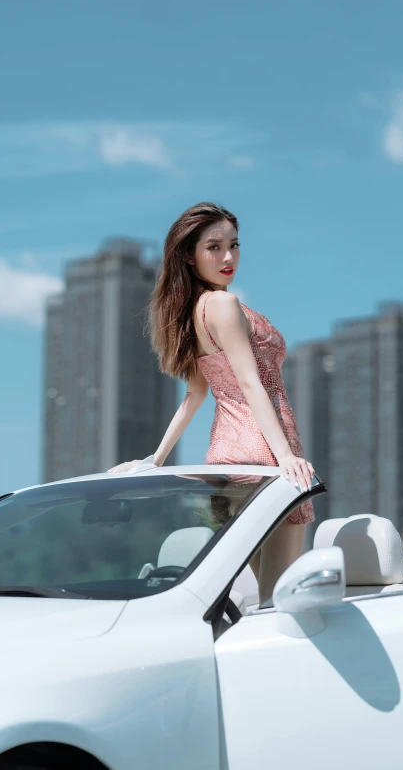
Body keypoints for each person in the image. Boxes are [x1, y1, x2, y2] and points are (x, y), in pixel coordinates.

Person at [108, 202, 315, 605]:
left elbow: (195, 394)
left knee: (265, 594)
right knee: (280, 601)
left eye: (234, 245)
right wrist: (286, 455)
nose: (227, 257)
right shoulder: (223, 304)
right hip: (266, 455)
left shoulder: (192, 312)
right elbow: (250, 382)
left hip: (224, 463)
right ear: (190, 254)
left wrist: (156, 458)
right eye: (214, 247)